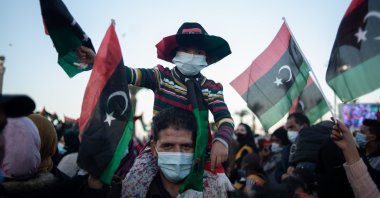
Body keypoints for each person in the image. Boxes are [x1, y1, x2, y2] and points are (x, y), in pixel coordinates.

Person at [122, 107, 231, 197]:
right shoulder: (132, 187)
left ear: (196, 149)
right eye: (168, 146)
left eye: (186, 146)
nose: (177, 154)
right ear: (153, 149)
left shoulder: (215, 190)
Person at [331, 119, 380, 198]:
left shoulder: (378, 161)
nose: (356, 134)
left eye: (361, 132)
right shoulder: (358, 151)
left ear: (372, 137)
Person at [275, 112, 310, 182]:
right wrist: (282, 176)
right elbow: (278, 170)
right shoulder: (287, 149)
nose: (289, 132)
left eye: (292, 127)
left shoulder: (314, 145)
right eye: (287, 129)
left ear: (304, 126)